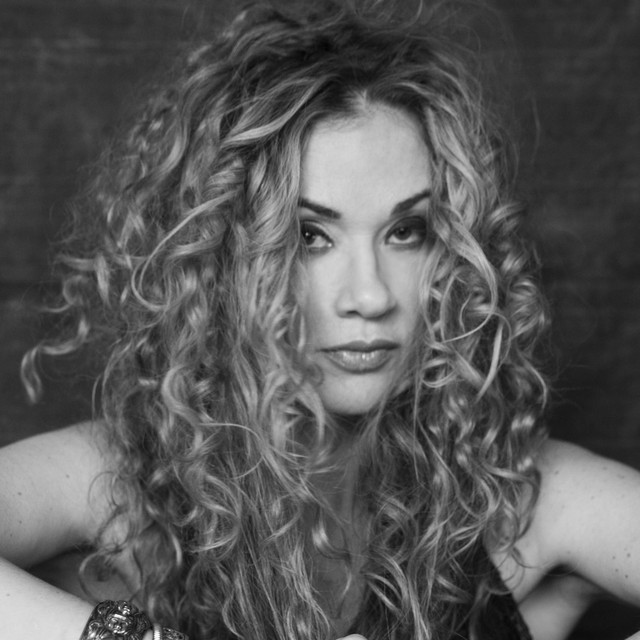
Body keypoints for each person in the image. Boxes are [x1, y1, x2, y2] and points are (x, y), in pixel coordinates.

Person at [1, 1, 640, 639]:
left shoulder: (519, 499)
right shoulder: (118, 481)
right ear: (217, 257)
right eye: (309, 236)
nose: (370, 295)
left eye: (407, 232)